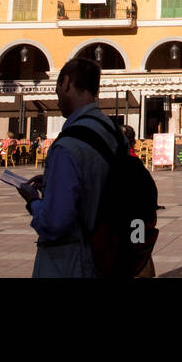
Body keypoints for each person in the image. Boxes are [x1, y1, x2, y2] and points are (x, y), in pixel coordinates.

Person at [18, 58, 124, 277]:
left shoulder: (66, 147)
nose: (56, 95)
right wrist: (52, 184)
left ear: (66, 83)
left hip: (72, 261)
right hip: (110, 254)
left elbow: (55, 224)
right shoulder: (113, 132)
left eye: (57, 86)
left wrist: (34, 202)